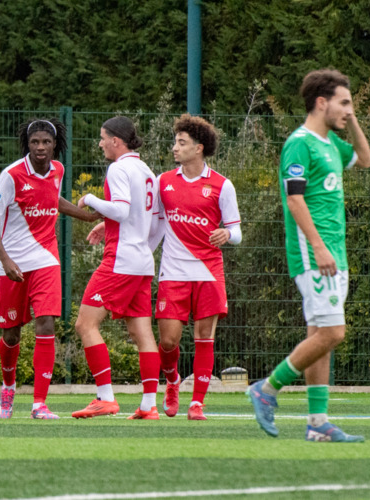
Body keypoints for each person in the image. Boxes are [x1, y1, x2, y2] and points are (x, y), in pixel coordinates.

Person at [247, 69, 370, 442]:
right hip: (314, 252)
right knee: (333, 332)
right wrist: (318, 247)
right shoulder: (299, 143)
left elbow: (366, 160)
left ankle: (318, 423)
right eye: (343, 103)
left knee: (321, 334)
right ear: (321, 102)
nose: (348, 110)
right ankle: (266, 389)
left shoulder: (331, 144)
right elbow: (295, 199)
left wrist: (352, 119)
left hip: (336, 252)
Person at [0, 118, 100, 420]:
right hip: (12, 264)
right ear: (27, 144)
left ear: (55, 144)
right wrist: (5, 259)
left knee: (46, 323)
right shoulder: (11, 175)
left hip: (46, 259)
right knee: (11, 334)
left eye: (46, 142)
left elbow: (52, 199)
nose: (40, 147)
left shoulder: (58, 170)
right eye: (35, 142)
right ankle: (8, 387)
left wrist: (86, 217)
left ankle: (39, 404)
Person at [148, 114, 242, 420]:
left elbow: (237, 231)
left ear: (199, 148)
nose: (174, 147)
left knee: (205, 338)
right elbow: (153, 224)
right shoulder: (163, 182)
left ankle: (197, 403)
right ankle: (172, 380)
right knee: (168, 341)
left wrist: (227, 234)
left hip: (208, 271)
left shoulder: (222, 185)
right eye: (175, 142)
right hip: (173, 272)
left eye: (181, 142)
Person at [72, 116, 160, 420]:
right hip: (142, 262)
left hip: (120, 261)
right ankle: (149, 405)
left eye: (102, 138)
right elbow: (153, 222)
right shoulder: (147, 171)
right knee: (142, 332)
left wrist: (89, 198)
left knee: (85, 324)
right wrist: (108, 225)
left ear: (115, 141)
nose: (100, 144)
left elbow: (121, 210)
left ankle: (105, 398)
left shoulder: (118, 169)